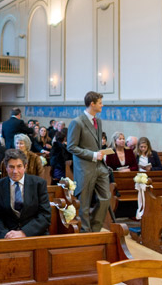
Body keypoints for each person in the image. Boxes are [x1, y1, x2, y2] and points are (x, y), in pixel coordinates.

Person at [67, 91, 110, 232]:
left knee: (105, 198)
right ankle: (85, 232)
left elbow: (97, 144)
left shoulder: (98, 121)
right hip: (85, 167)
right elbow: (71, 147)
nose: (102, 105)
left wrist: (102, 153)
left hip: (100, 167)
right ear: (92, 104)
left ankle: (95, 228)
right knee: (84, 203)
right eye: (100, 103)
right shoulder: (77, 122)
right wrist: (92, 155)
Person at [0, 148, 51, 239]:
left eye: (19, 166)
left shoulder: (38, 184)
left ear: (25, 167)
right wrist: (6, 235)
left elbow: (45, 216)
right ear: (6, 167)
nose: (15, 171)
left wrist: (24, 232)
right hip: (7, 237)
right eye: (11, 167)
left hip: (34, 235)